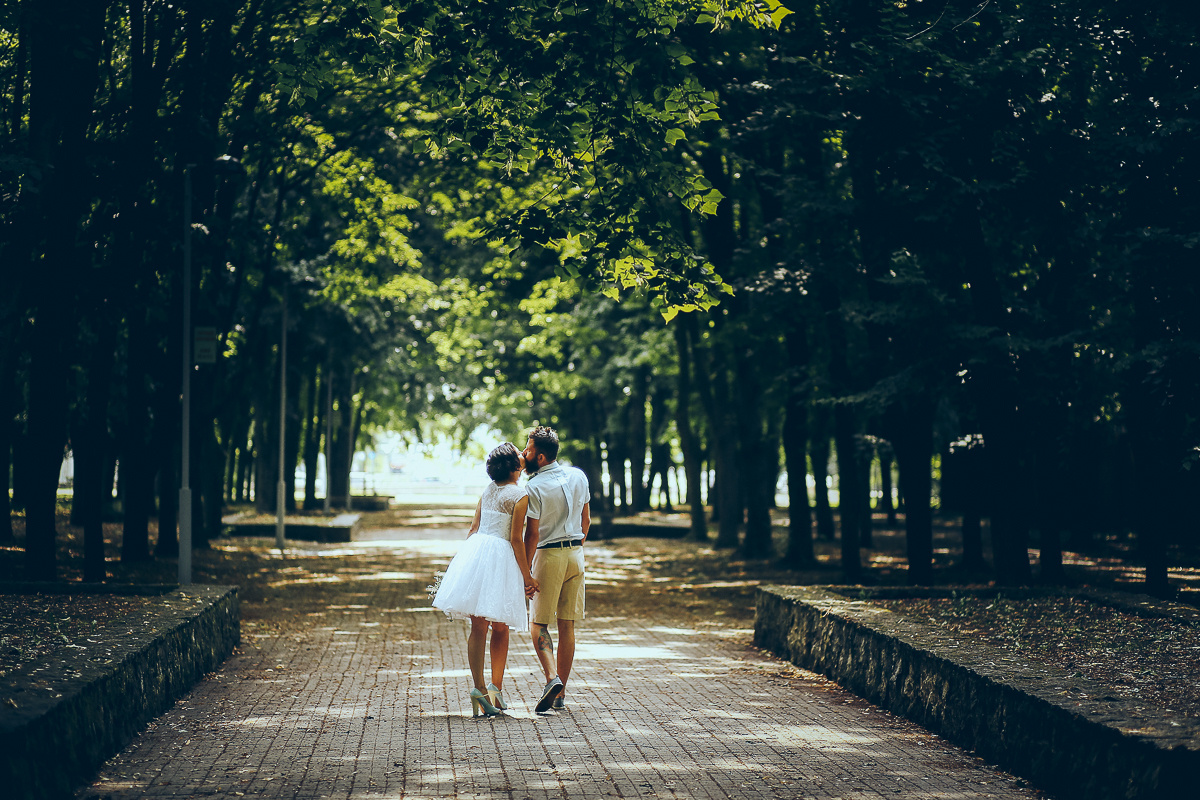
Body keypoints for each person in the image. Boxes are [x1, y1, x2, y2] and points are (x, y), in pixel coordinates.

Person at [432, 443, 539, 717]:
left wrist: (466, 564)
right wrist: (526, 575)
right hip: (501, 559)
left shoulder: (488, 490)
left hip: (478, 551)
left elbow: (473, 528)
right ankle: (495, 687)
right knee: (500, 627)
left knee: (478, 626)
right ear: (514, 467)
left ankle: (479, 687)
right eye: (519, 456)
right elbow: (516, 539)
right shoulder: (520, 495)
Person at [522, 426, 591, 713]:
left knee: (538, 624)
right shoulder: (578, 476)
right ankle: (561, 694)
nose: (523, 453)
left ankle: (552, 678)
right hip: (576, 554)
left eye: (527, 450)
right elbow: (586, 521)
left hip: (548, 555)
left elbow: (532, 535)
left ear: (539, 457)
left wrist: (526, 572)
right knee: (567, 624)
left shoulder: (534, 487)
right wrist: (575, 546)